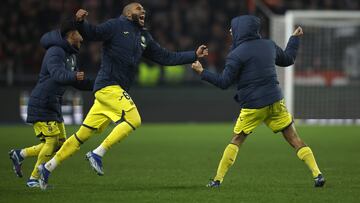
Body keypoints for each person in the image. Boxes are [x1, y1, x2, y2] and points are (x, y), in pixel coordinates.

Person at [37, 2, 208, 190]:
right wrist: (79, 22)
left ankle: (47, 168)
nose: (142, 11)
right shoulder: (115, 26)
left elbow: (166, 57)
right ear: (127, 14)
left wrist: (194, 54)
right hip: (108, 86)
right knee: (134, 119)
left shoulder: (144, 37)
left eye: (143, 9)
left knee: (80, 136)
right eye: (138, 9)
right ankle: (97, 153)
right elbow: (93, 33)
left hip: (113, 91)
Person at [191, 15, 325, 188]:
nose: (231, 31)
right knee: (294, 138)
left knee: (237, 139)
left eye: (233, 28)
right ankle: (317, 174)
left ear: (241, 29)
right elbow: (288, 59)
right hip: (275, 101)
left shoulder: (236, 55)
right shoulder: (269, 45)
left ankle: (217, 180)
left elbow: (224, 83)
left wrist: (202, 72)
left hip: (253, 105)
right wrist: (294, 39)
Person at [9, 20, 94, 187]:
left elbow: (75, 80)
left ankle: (20, 154)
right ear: (71, 35)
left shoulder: (71, 55)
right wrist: (73, 76)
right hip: (42, 101)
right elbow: (57, 74)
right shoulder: (55, 51)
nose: (82, 38)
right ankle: (33, 179)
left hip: (53, 104)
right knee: (51, 142)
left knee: (60, 144)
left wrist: (97, 84)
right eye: (79, 34)